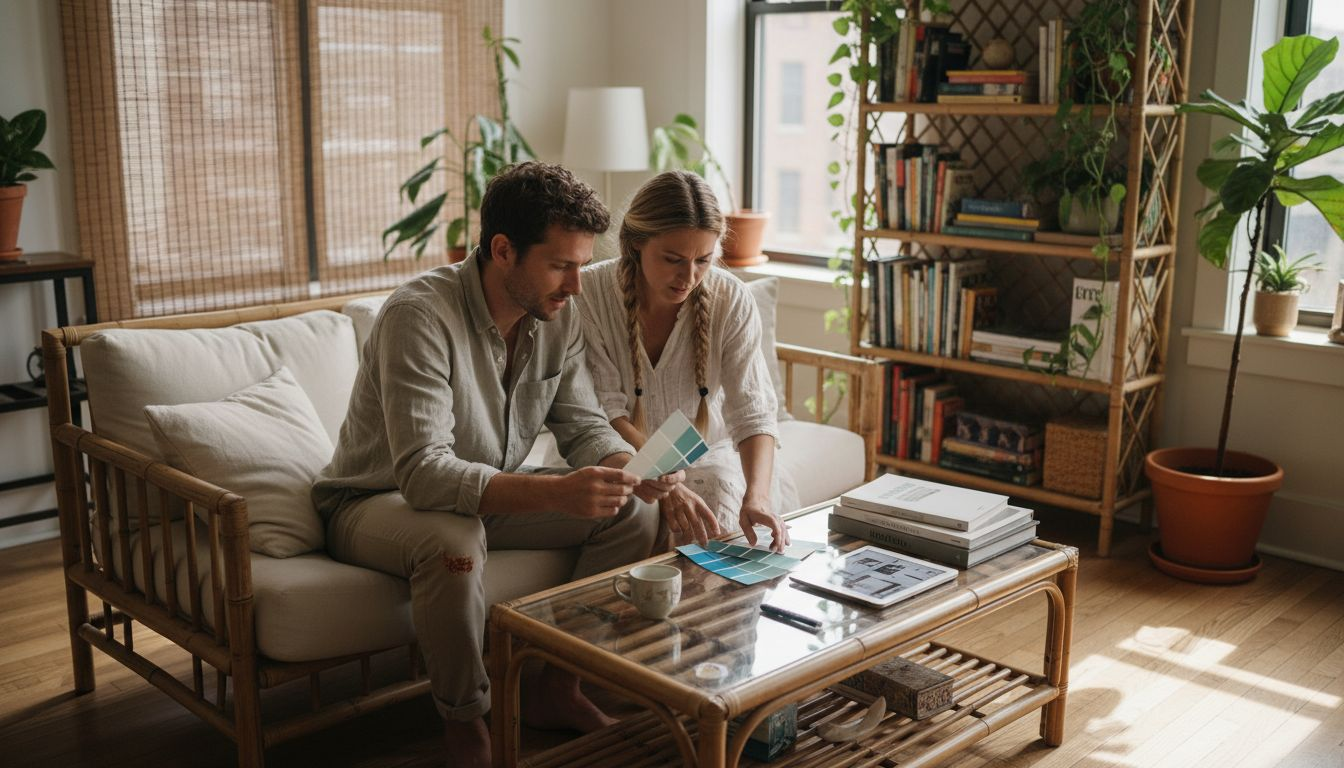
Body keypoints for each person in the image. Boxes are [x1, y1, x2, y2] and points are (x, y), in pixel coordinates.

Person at [313, 162, 676, 767]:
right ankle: (466, 724)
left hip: (482, 496)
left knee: (631, 513)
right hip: (375, 502)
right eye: (561, 266)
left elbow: (583, 423)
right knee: (451, 540)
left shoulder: (557, 316)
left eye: (582, 265)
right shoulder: (419, 316)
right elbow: (424, 474)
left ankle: (556, 687)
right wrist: (556, 494)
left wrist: (630, 468)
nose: (576, 285)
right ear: (503, 250)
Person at [577, 170, 797, 552]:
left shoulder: (731, 299)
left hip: (707, 457)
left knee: (719, 504)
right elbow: (605, 410)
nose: (689, 276)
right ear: (636, 244)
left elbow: (753, 412)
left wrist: (757, 497)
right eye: (673, 259)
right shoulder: (590, 294)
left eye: (703, 261)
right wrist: (666, 484)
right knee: (641, 510)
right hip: (618, 454)